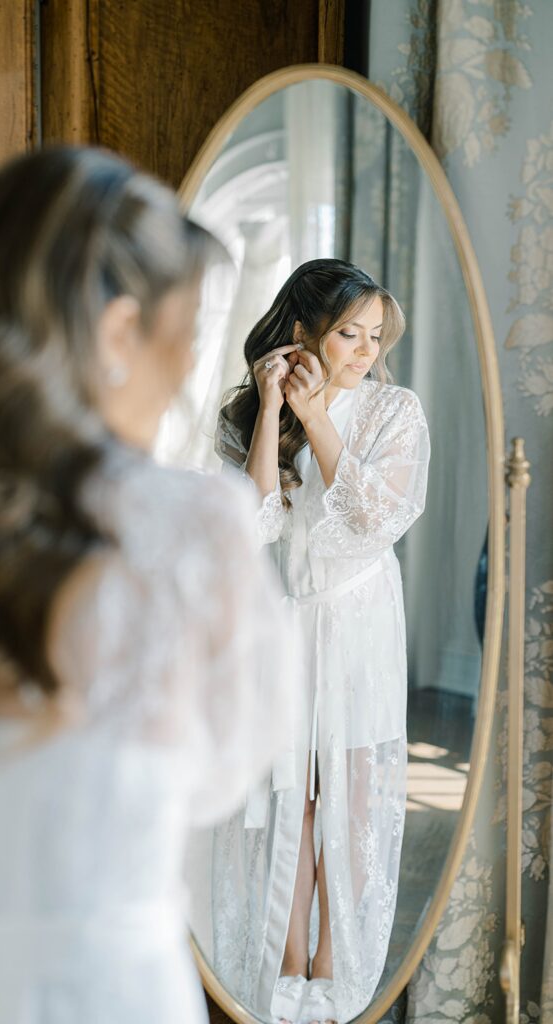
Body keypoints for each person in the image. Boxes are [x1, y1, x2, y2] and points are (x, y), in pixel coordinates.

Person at [0, 146, 289, 1024]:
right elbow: (222, 775)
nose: (182, 380)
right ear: (115, 333)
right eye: (182, 341)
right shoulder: (184, 528)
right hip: (97, 993)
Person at [213, 259, 431, 1024]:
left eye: (376, 335)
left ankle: (337, 979)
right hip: (285, 620)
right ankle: (283, 968)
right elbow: (255, 524)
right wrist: (273, 406)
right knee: (292, 799)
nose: (366, 349)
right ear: (304, 330)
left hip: (357, 618)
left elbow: (374, 521)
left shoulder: (393, 411)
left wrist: (319, 419)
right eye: (350, 333)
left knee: (352, 792)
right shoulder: (247, 410)